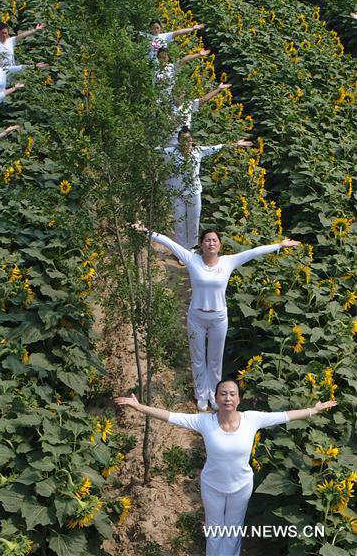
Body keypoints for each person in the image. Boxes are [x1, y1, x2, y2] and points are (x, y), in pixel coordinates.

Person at [115, 378, 335, 556]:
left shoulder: (252, 419)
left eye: (232, 394)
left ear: (238, 399)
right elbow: (172, 417)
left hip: (241, 487)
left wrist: (313, 410)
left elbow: (283, 416)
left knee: (233, 531)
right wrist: (139, 407)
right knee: (214, 531)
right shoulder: (205, 422)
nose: (228, 397)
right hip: (212, 487)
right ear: (216, 398)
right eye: (223, 394)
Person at [133, 222, 300, 410]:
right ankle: (200, 395)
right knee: (197, 357)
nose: (211, 243)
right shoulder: (192, 259)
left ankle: (214, 394)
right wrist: (145, 230)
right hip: (196, 317)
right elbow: (169, 243)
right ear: (201, 244)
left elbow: (253, 252)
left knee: (215, 359)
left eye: (214, 240)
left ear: (219, 245)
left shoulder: (228, 261)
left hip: (219, 318)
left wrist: (279, 245)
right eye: (207, 240)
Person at [159, 127, 251, 248]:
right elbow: (153, 151)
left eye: (188, 139)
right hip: (177, 194)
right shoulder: (171, 152)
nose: (186, 142)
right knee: (179, 224)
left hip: (194, 193)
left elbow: (216, 148)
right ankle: (181, 252)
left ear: (192, 140)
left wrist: (235, 144)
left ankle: (192, 250)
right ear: (179, 141)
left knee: (193, 223)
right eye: (183, 139)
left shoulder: (198, 151)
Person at [166, 82, 231, 146]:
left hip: (185, 140)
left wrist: (218, 89)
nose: (179, 96)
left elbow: (204, 99)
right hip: (170, 141)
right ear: (173, 94)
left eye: (181, 93)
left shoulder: (188, 105)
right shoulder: (167, 107)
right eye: (177, 94)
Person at [140, 20, 205, 63]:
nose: (156, 30)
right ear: (150, 29)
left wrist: (193, 28)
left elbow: (179, 32)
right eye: (153, 28)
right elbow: (135, 32)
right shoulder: (146, 36)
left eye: (157, 28)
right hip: (149, 64)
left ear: (160, 28)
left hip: (162, 64)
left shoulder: (164, 36)